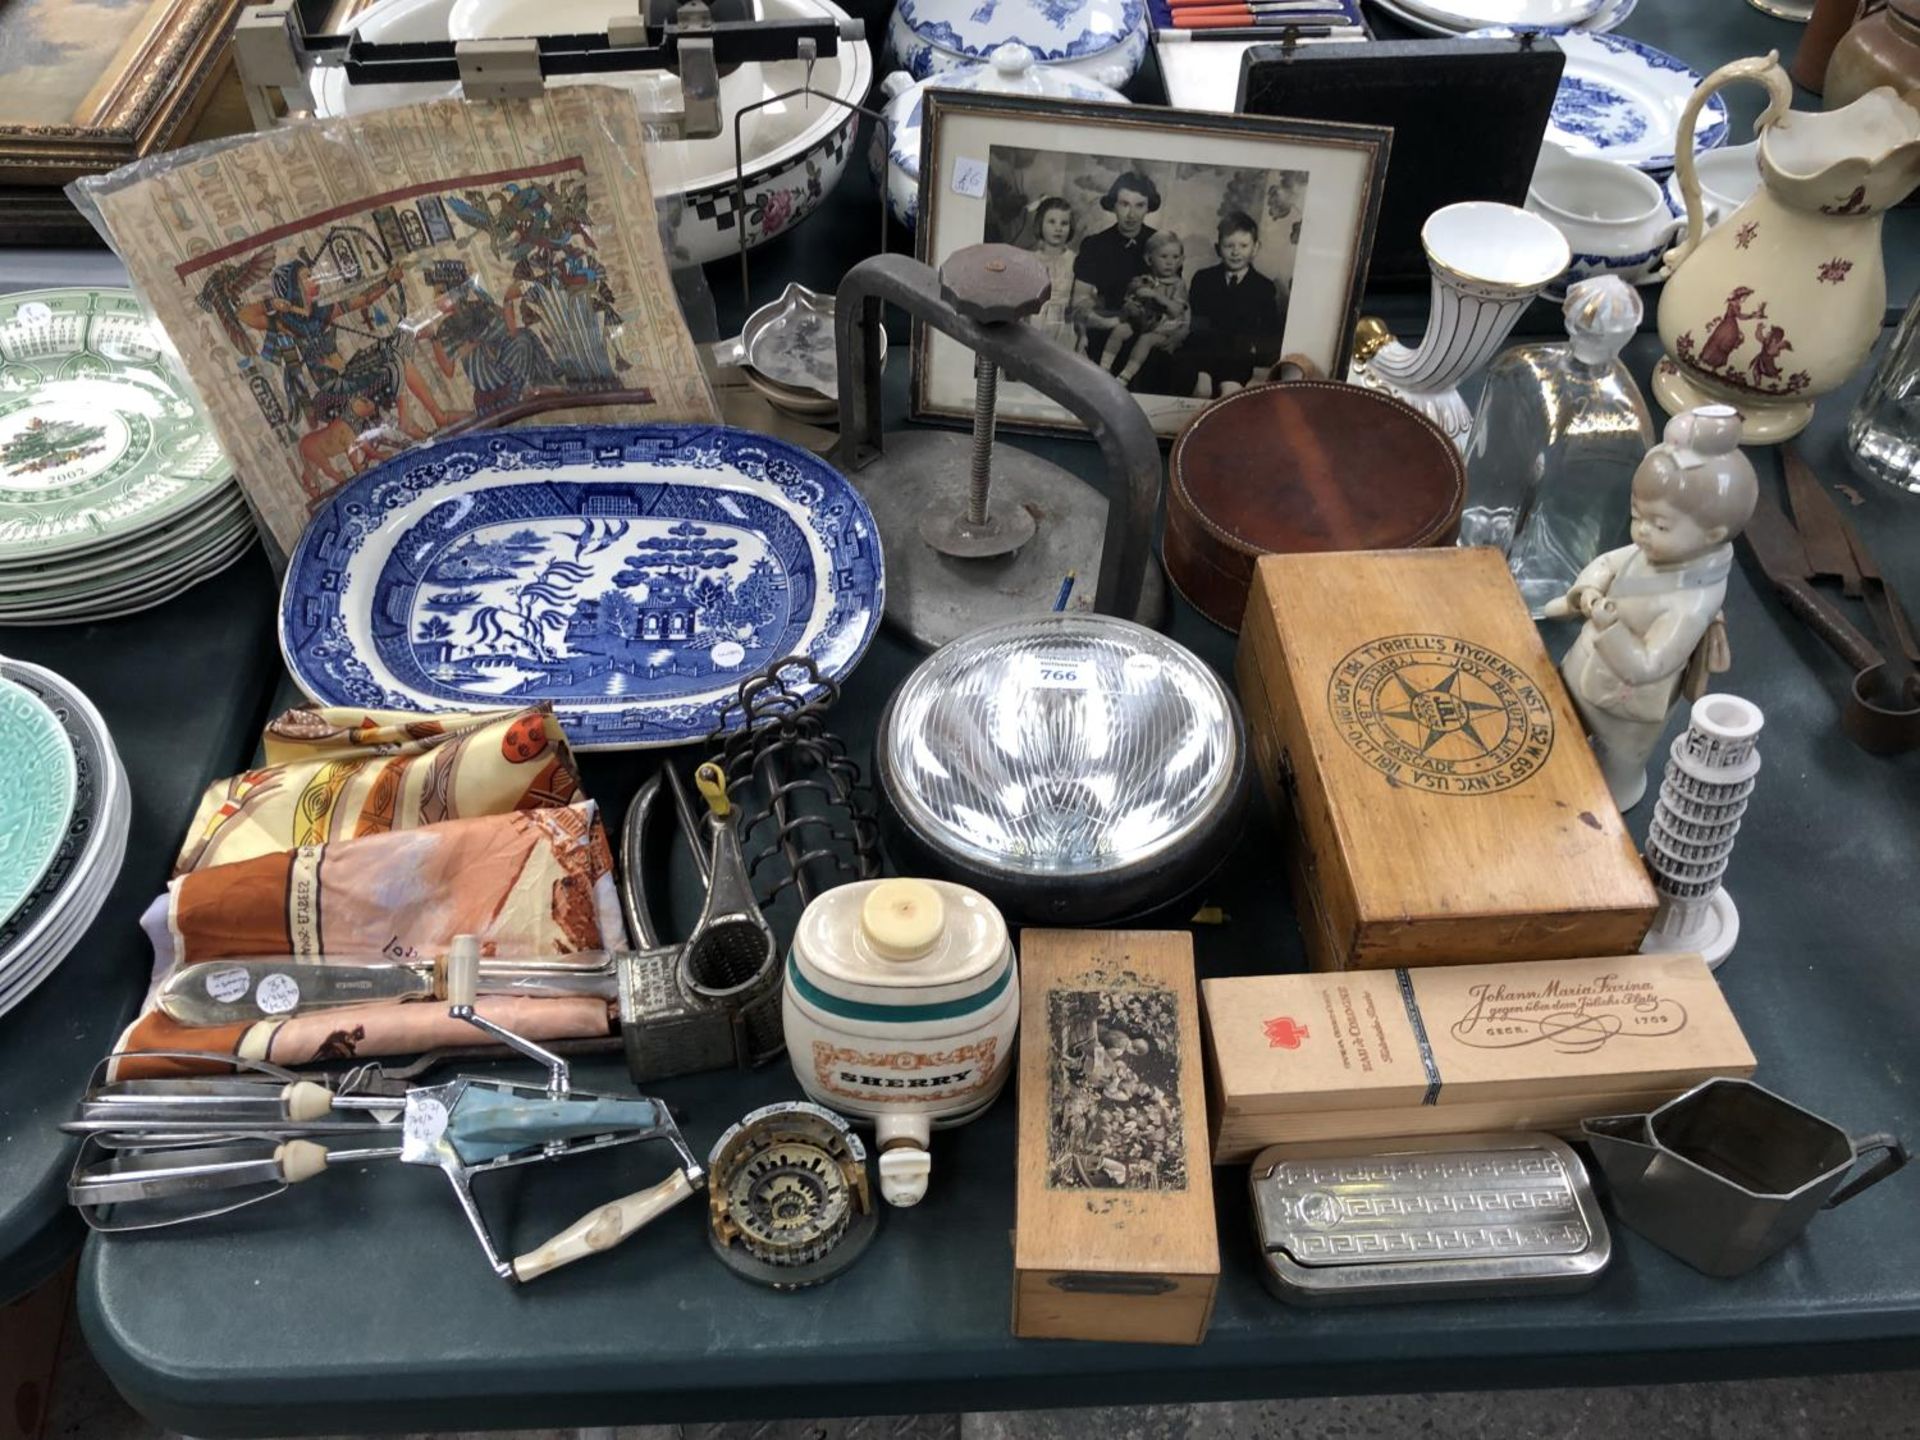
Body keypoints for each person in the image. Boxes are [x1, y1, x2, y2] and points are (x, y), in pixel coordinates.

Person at [1550, 405, 1757, 810]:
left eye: (1659, 525)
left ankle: (1611, 796)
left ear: (1712, 535)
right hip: (1585, 664)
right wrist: (1589, 587)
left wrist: (1610, 628)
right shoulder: (1652, 551)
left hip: (1627, 698)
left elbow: (1650, 663)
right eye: (1636, 516)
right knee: (1563, 714)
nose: (1642, 530)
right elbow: (1609, 562)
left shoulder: (1693, 599)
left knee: (1620, 756)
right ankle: (1559, 767)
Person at [1183, 211, 1288, 398]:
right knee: (1201, 390)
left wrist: (1255, 347)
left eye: (1243, 245)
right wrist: (1202, 369)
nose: (1235, 252)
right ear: (1218, 248)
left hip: (1238, 355)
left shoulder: (1263, 287)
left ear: (1255, 248)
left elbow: (1268, 330)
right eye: (1229, 245)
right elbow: (1196, 323)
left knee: (1230, 393)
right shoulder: (1204, 279)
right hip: (1204, 350)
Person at [1072, 170, 1160, 366]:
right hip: (1102, 332)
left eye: (1139, 205)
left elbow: (1168, 303)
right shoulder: (1094, 245)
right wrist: (1106, 324)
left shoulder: (1160, 245)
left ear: (1148, 207)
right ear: (1113, 205)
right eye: (1124, 204)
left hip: (1146, 339)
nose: (1131, 214)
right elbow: (1079, 303)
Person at [1098, 231, 1191, 387]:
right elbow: (1128, 305)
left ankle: (1124, 377)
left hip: (1166, 329)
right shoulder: (1143, 280)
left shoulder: (1178, 285)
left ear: (1181, 260)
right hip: (1142, 323)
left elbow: (1176, 311)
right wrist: (1133, 305)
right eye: (1164, 256)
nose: (1170, 262)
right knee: (1120, 329)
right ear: (1149, 259)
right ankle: (1103, 369)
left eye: (1175, 257)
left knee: (1145, 340)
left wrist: (1155, 295)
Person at [1024, 197, 1089, 353]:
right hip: (1035, 325)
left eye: (1064, 223)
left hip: (1065, 327)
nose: (1058, 228)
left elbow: (1080, 303)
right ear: (1040, 224)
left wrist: (1082, 335)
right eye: (1051, 222)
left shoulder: (1075, 260)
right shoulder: (1030, 260)